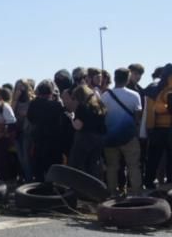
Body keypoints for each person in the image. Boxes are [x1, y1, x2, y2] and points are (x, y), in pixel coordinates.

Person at [101, 68, 143, 196]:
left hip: (110, 137)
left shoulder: (105, 96)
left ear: (114, 78)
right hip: (129, 137)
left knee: (112, 167)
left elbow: (102, 116)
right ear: (128, 78)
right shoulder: (134, 95)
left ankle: (112, 192)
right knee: (133, 166)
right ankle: (136, 193)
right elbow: (138, 117)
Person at [26, 80, 66, 182]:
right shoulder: (56, 105)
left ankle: (40, 187)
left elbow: (30, 118)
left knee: (39, 165)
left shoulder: (34, 104)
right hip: (54, 139)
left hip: (39, 138)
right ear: (51, 93)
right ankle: (54, 187)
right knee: (53, 165)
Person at [143, 63, 172, 188]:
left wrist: (148, 128)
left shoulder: (153, 88)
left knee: (153, 159)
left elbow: (149, 110)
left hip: (155, 129)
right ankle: (170, 184)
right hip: (169, 129)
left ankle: (148, 183)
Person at [69, 84, 107, 178]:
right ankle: (95, 187)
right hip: (99, 138)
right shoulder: (100, 105)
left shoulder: (82, 107)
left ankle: (79, 188)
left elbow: (78, 126)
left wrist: (72, 118)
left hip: (85, 138)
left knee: (78, 164)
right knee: (94, 164)